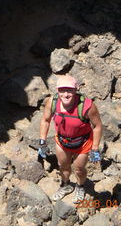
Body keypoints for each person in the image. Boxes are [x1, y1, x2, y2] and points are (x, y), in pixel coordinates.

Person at [39, 75, 103, 203]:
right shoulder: (53, 102)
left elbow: (97, 126)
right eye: (62, 90)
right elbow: (45, 120)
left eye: (69, 90)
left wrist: (95, 148)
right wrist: (42, 141)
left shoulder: (87, 106)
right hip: (62, 141)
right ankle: (65, 185)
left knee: (79, 168)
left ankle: (80, 186)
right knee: (63, 165)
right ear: (57, 90)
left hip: (83, 142)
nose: (66, 94)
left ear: (76, 90)